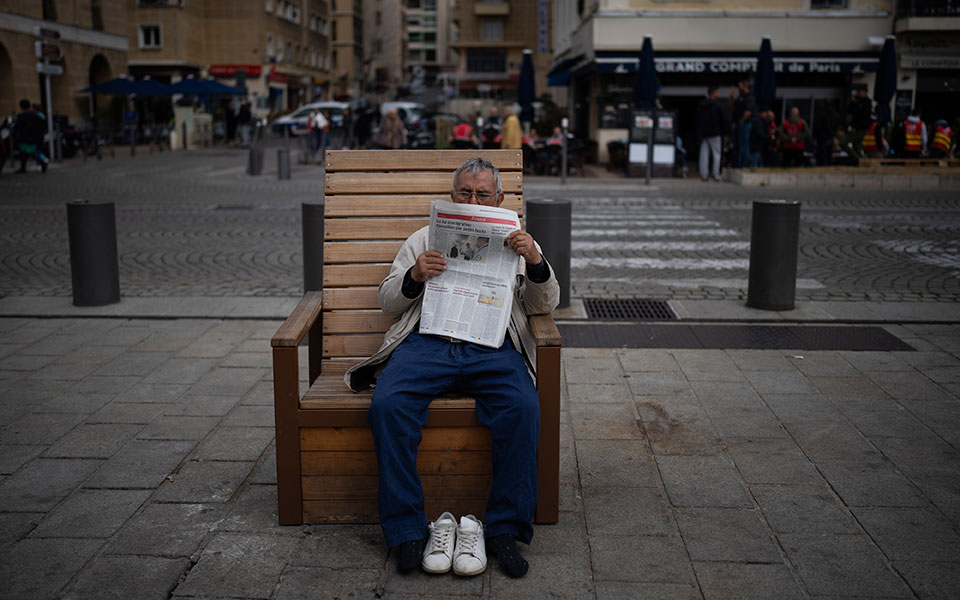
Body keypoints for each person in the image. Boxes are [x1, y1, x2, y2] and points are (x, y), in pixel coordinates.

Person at [344, 157, 559, 578]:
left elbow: (544, 304)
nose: (474, 200)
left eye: (482, 194)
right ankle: (407, 531)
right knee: (388, 404)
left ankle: (503, 530)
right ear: (452, 196)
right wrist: (413, 275)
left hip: (493, 347)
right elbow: (388, 301)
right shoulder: (425, 237)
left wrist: (534, 260)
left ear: (499, 199)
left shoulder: (517, 242)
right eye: (465, 193)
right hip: (428, 344)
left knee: (522, 407)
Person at [696, 84, 727, 182]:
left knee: (704, 154)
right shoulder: (718, 105)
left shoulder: (701, 105)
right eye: (717, 92)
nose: (718, 94)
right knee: (717, 154)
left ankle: (704, 175)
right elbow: (723, 120)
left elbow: (697, 120)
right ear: (714, 93)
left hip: (704, 134)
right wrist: (725, 131)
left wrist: (699, 132)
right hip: (715, 133)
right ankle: (716, 175)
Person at [13, 99, 48, 174]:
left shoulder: (21, 116)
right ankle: (23, 168)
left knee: (28, 152)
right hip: (34, 137)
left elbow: (17, 127)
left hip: (24, 137)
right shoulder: (35, 115)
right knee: (26, 152)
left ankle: (42, 162)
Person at [729, 79, 757, 168]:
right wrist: (731, 97)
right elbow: (732, 109)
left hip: (744, 124)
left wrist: (741, 120)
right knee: (736, 146)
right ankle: (736, 165)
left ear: (745, 86)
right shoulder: (739, 97)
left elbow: (748, 111)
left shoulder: (749, 97)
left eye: (740, 86)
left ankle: (744, 165)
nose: (738, 88)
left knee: (743, 146)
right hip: (738, 124)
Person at [813, 100, 836, 166]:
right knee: (828, 155)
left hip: (822, 137)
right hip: (829, 137)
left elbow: (817, 126)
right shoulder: (832, 113)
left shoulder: (820, 114)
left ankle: (823, 166)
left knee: (822, 155)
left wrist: (815, 136)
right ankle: (828, 166)